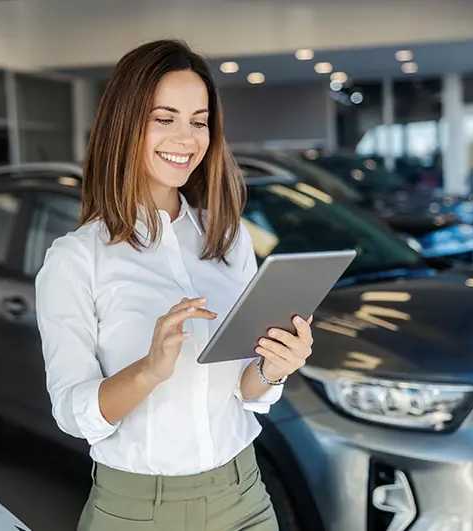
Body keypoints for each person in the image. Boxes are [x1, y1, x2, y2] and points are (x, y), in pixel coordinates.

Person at [35, 39, 314, 531]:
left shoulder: (229, 240)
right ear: (125, 124)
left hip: (242, 493)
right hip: (138, 510)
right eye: (164, 119)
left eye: (199, 120)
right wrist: (150, 369)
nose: (186, 138)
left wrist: (274, 368)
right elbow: (73, 414)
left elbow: (245, 391)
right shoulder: (77, 259)